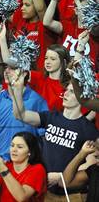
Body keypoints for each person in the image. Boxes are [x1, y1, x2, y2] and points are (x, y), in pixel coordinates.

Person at [10, 72, 99, 200]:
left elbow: (93, 164)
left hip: (69, 195)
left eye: (72, 92)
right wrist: (17, 91)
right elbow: (20, 115)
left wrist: (61, 176)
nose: (66, 94)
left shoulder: (88, 129)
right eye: (66, 90)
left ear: (82, 97)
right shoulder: (51, 117)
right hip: (44, 191)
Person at [0, 60, 49, 160]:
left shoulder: (37, 101)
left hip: (23, 166)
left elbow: (44, 140)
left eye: (12, 68)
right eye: (5, 68)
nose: (7, 71)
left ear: (24, 73)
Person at [0, 132, 47, 202]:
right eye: (12, 145)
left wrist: (3, 170)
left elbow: (21, 197)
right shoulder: (6, 166)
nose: (14, 150)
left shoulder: (38, 169)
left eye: (19, 147)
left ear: (30, 151)